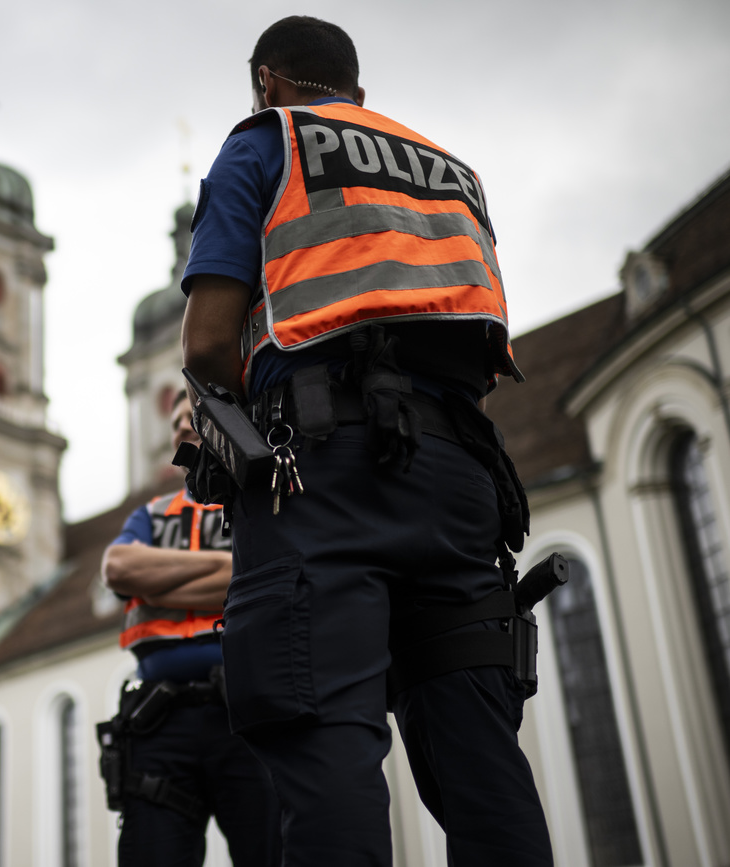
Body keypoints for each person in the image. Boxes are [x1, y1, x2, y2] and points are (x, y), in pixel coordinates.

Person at [179, 16, 554, 867]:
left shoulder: (266, 141)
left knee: (327, 744)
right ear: (358, 92)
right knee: (481, 760)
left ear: (267, 81)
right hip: (463, 481)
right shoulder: (452, 173)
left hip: (323, 475)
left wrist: (251, 427)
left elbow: (205, 344)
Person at [101, 390, 280, 867]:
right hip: (159, 721)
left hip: (248, 712)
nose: (181, 426)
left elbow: (265, 570)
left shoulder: (260, 497)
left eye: (192, 416)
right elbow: (118, 568)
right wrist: (227, 570)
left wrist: (159, 584)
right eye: (176, 419)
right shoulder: (152, 513)